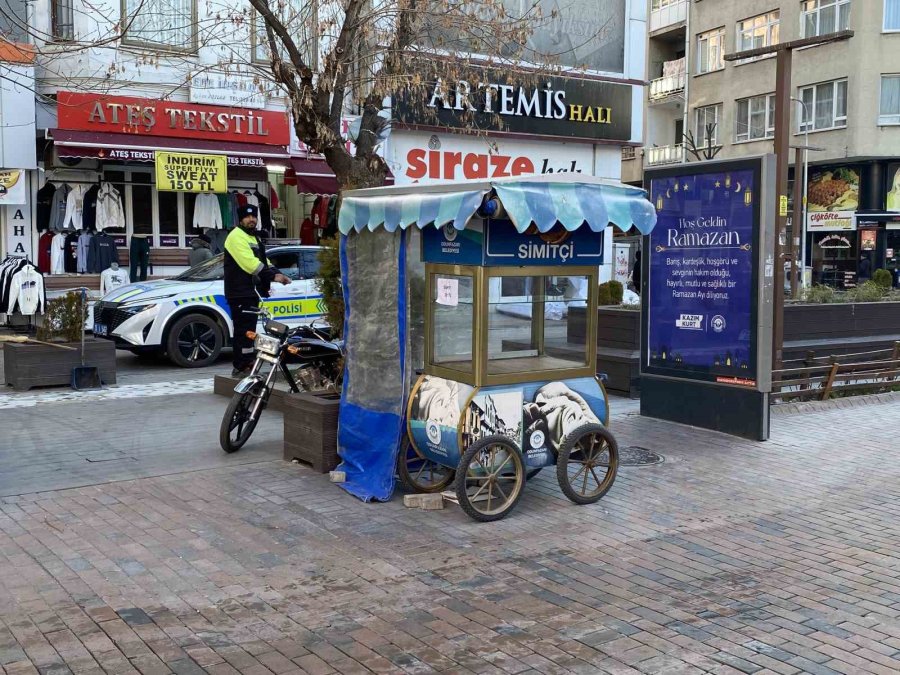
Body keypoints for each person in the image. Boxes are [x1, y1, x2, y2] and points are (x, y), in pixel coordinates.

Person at [224, 204, 290, 376]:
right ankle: (240, 367)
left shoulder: (253, 238)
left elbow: (263, 261)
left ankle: (248, 362)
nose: (251, 219)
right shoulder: (236, 237)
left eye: (254, 216)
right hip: (239, 291)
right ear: (240, 219)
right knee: (243, 330)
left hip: (250, 292)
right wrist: (273, 277)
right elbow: (250, 263)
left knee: (250, 331)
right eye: (247, 217)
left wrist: (277, 273)